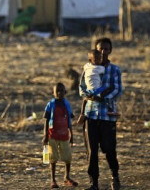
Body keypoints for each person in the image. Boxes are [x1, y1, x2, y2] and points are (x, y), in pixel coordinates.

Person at [79, 38, 123, 190]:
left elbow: (118, 89)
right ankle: (94, 183)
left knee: (109, 148)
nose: (103, 52)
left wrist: (103, 96)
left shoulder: (114, 70)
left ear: (110, 50)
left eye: (106, 49)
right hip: (90, 114)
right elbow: (81, 87)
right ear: (95, 51)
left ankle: (115, 175)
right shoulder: (88, 68)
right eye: (100, 49)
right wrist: (88, 95)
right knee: (92, 151)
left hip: (107, 115)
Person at [43, 82, 78, 189]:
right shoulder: (50, 104)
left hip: (64, 135)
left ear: (65, 92)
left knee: (68, 157)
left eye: (62, 91)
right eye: (57, 91)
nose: (60, 93)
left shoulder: (67, 105)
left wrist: (71, 135)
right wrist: (45, 135)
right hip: (52, 135)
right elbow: (46, 120)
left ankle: (67, 177)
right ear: (53, 93)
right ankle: (53, 180)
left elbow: (69, 121)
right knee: (53, 158)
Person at [76, 50, 118, 126]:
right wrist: (107, 65)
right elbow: (106, 69)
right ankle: (110, 109)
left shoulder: (86, 66)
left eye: (100, 59)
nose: (99, 61)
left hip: (89, 90)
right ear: (90, 60)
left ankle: (82, 114)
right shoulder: (99, 68)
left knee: (85, 100)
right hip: (97, 90)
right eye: (97, 59)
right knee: (108, 88)